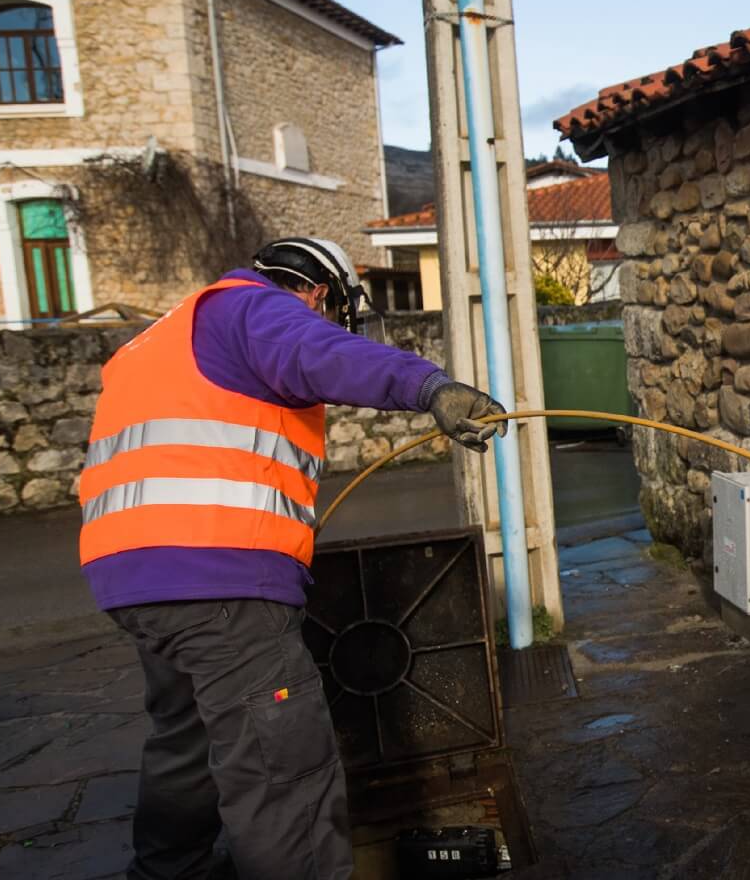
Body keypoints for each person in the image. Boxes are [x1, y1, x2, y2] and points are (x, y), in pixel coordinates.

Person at [79, 237, 508, 880]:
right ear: (319, 292)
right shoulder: (258, 311)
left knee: (188, 739)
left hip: (130, 576)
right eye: (329, 307)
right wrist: (429, 386)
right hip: (219, 577)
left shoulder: (160, 336)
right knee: (280, 764)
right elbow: (322, 351)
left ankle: (170, 870)